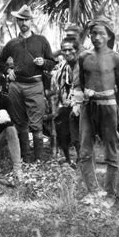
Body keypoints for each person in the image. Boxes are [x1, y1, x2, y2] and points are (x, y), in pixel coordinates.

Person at [76, 17, 119, 205]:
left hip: (108, 108)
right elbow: (82, 82)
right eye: (94, 33)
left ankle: (110, 194)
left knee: (110, 151)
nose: (97, 37)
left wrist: (114, 106)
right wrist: (89, 95)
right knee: (85, 150)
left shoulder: (116, 59)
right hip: (88, 107)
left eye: (101, 34)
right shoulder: (84, 58)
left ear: (108, 36)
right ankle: (92, 191)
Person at [0, 5, 56, 161]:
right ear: (17, 21)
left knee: (36, 125)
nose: (23, 23)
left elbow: (52, 63)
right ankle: (26, 157)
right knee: (20, 123)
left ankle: (38, 159)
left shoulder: (41, 41)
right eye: (20, 20)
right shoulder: (12, 43)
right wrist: (7, 71)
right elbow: (0, 62)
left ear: (31, 22)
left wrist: (43, 62)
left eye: (26, 20)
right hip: (16, 86)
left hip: (35, 85)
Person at [52, 37, 81, 165]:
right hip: (66, 103)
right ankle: (68, 159)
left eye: (70, 50)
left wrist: (76, 100)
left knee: (78, 133)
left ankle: (82, 158)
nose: (67, 53)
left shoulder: (82, 64)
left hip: (82, 103)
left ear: (76, 50)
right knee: (61, 127)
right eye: (64, 50)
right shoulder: (63, 66)